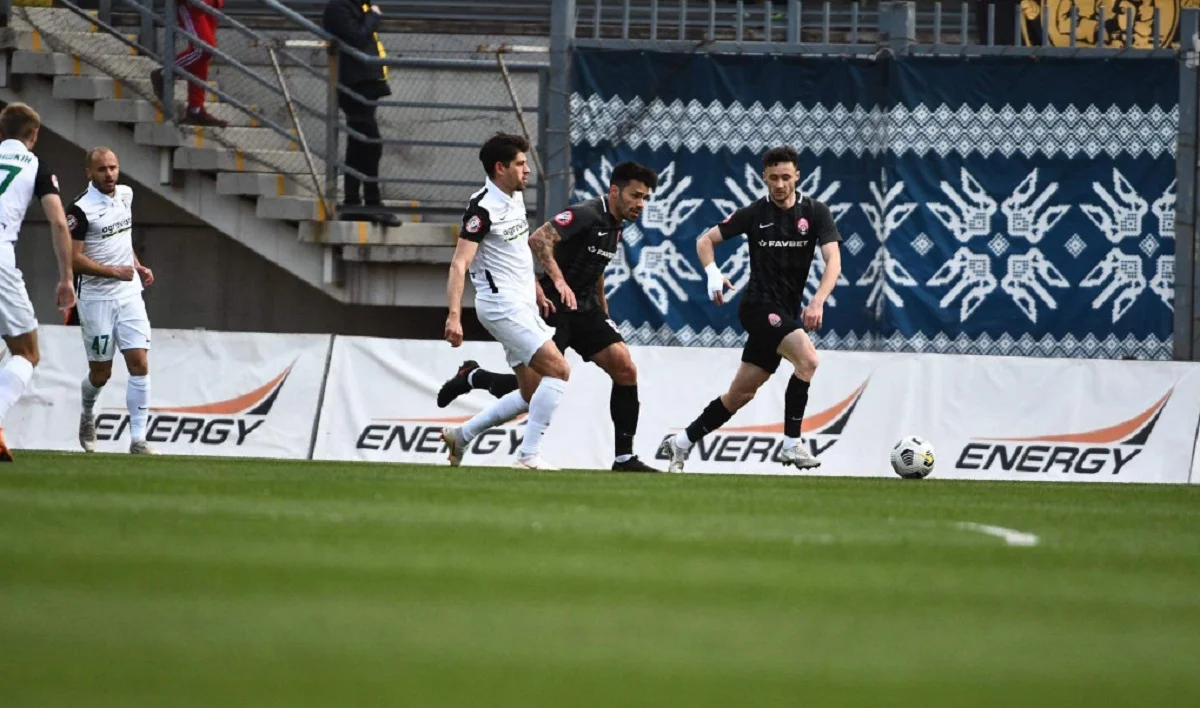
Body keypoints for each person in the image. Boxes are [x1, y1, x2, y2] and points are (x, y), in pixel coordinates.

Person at [437, 162, 662, 472]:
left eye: (645, 198)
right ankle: (474, 382)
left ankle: (624, 458)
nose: (640, 204)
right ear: (614, 191)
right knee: (533, 391)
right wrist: (558, 280)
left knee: (625, 368)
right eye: (635, 196)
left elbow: (596, 268)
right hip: (552, 307)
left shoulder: (616, 225)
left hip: (585, 309)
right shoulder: (585, 214)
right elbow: (539, 239)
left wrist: (603, 311)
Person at [659, 146, 842, 473]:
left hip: (784, 313)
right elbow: (704, 241)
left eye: (786, 177)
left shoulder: (816, 212)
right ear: (764, 178)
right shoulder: (755, 214)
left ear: (797, 176)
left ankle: (681, 443)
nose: (780, 184)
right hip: (758, 307)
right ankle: (791, 445)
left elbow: (834, 261)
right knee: (808, 360)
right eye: (773, 178)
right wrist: (712, 273)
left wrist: (818, 300)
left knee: (740, 394)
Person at [442, 133, 569, 470]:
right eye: (520, 164)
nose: (527, 170)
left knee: (532, 393)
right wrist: (454, 316)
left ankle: (462, 435)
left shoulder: (514, 197)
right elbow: (459, 263)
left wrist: (535, 287)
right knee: (559, 370)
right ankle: (528, 456)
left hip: (522, 302)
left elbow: (513, 251)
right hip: (502, 307)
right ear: (500, 168)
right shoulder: (481, 209)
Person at [68, 148, 159, 456]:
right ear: (89, 173)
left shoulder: (126, 195)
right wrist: (112, 272)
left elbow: (122, 240)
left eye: (113, 167)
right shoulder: (80, 210)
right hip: (96, 299)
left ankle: (138, 440)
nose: (109, 174)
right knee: (101, 374)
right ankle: (87, 414)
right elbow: (73, 259)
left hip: (129, 294)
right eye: (102, 169)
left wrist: (137, 266)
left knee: (139, 363)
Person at [0, 103, 77, 461]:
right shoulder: (35, 165)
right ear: (34, 134)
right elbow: (60, 223)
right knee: (27, 353)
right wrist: (66, 278)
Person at [322, 0, 402, 227]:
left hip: (366, 85)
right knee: (370, 144)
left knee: (358, 145)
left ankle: (353, 203)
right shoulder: (339, 7)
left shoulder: (358, 7)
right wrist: (373, 16)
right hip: (354, 86)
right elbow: (356, 37)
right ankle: (371, 203)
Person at [151, 0, 229, 127]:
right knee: (203, 50)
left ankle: (195, 109)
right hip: (193, 4)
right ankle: (164, 73)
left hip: (212, 4)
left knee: (203, 55)